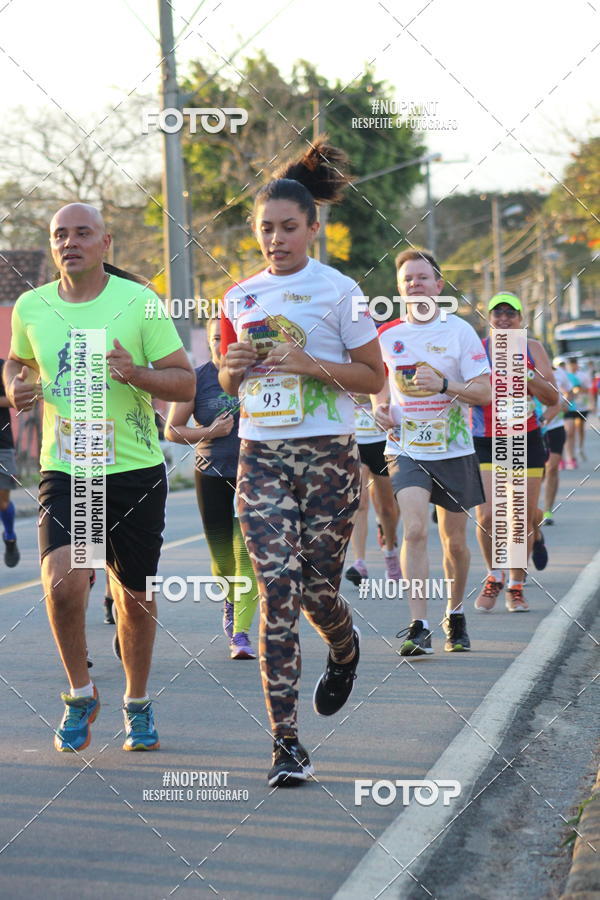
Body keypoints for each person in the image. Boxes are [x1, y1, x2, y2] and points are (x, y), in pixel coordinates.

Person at [219, 140, 384, 786]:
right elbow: (229, 379)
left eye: (288, 228)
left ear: (313, 228)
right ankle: (285, 742)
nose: (276, 239)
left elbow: (372, 376)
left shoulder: (341, 292)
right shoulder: (238, 297)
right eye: (266, 229)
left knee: (318, 592)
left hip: (328, 456)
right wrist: (232, 368)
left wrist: (310, 364)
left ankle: (344, 647)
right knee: (277, 591)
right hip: (261, 454)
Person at [4, 202, 195, 753]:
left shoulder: (139, 302)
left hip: (133, 469)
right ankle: (80, 693)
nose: (70, 242)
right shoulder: (32, 306)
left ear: (105, 243)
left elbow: (184, 382)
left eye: (82, 233)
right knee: (63, 581)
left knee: (132, 596)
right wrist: (14, 384)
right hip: (69, 469)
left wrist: (136, 373)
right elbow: (18, 362)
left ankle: (137, 700)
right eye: (60, 234)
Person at [375, 249, 491, 655]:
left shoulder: (459, 331)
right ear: (399, 288)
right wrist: (379, 407)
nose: (415, 284)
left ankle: (454, 613)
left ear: (438, 285)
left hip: (453, 448)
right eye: (407, 279)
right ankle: (419, 626)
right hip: (405, 448)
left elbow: (484, 391)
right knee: (415, 530)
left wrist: (444, 385)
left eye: (422, 278)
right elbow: (379, 382)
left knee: (454, 541)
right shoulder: (387, 336)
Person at [165, 316, 259, 659]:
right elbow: (172, 430)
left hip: (255, 473)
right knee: (222, 561)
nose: (224, 343)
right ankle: (230, 600)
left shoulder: (258, 376)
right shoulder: (197, 379)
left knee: (246, 554)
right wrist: (210, 432)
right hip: (212, 474)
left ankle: (241, 634)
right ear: (209, 341)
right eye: (217, 337)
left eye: (229, 336)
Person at [472, 293, 556, 613]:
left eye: (511, 313)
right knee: (487, 515)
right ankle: (494, 575)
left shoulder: (533, 348)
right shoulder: (477, 349)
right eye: (498, 313)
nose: (504, 318)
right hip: (486, 440)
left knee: (519, 517)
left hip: (526, 439)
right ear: (489, 318)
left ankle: (516, 586)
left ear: (521, 319)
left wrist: (528, 374)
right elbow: (465, 392)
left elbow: (553, 398)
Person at [344, 393, 400, 586]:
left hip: (381, 440)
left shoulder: (385, 371)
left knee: (387, 508)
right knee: (359, 502)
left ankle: (390, 552)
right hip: (354, 439)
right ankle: (359, 562)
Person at [541, 363, 571, 526]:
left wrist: (565, 403)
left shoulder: (558, 373)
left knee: (552, 467)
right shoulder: (522, 371)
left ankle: (547, 510)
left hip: (555, 427)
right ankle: (531, 509)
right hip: (533, 428)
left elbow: (569, 390)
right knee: (539, 472)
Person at [0, 358, 20, 567]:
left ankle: (10, 535)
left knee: (3, 502)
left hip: (2, 445)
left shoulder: (3, 368)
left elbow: (14, 399)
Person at [564, 357, 592, 467]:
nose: (572, 367)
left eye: (573, 365)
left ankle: (580, 447)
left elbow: (588, 390)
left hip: (582, 406)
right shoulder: (565, 375)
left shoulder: (583, 376)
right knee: (571, 430)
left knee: (580, 427)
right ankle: (572, 451)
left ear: (576, 365)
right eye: (570, 365)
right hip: (570, 406)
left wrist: (591, 404)